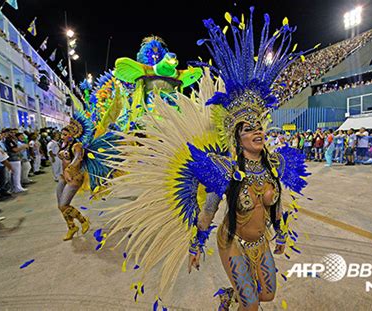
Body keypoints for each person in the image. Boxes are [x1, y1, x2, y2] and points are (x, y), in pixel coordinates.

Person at [101, 11, 311, 310]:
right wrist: (196, 244)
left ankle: (230, 295)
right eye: (249, 128)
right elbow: (210, 210)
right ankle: (236, 300)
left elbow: (275, 205)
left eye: (259, 127)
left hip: (261, 241)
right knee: (252, 305)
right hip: (232, 242)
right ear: (237, 136)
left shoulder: (275, 164)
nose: (258, 132)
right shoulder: (224, 169)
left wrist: (280, 231)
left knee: (267, 296)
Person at [56, 122, 90, 241]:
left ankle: (83, 221)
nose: (62, 137)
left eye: (65, 134)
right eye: (62, 134)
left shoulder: (77, 146)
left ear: (72, 134)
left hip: (74, 177)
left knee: (64, 204)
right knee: (61, 207)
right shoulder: (64, 145)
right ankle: (71, 227)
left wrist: (69, 169)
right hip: (63, 177)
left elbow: (77, 158)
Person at [4, 128, 28, 193]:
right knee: (16, 174)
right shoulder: (8, 141)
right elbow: (14, 150)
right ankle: (16, 187)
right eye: (11, 132)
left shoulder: (13, 140)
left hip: (16, 158)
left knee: (17, 174)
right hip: (13, 159)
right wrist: (23, 147)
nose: (13, 134)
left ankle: (18, 186)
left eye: (14, 132)